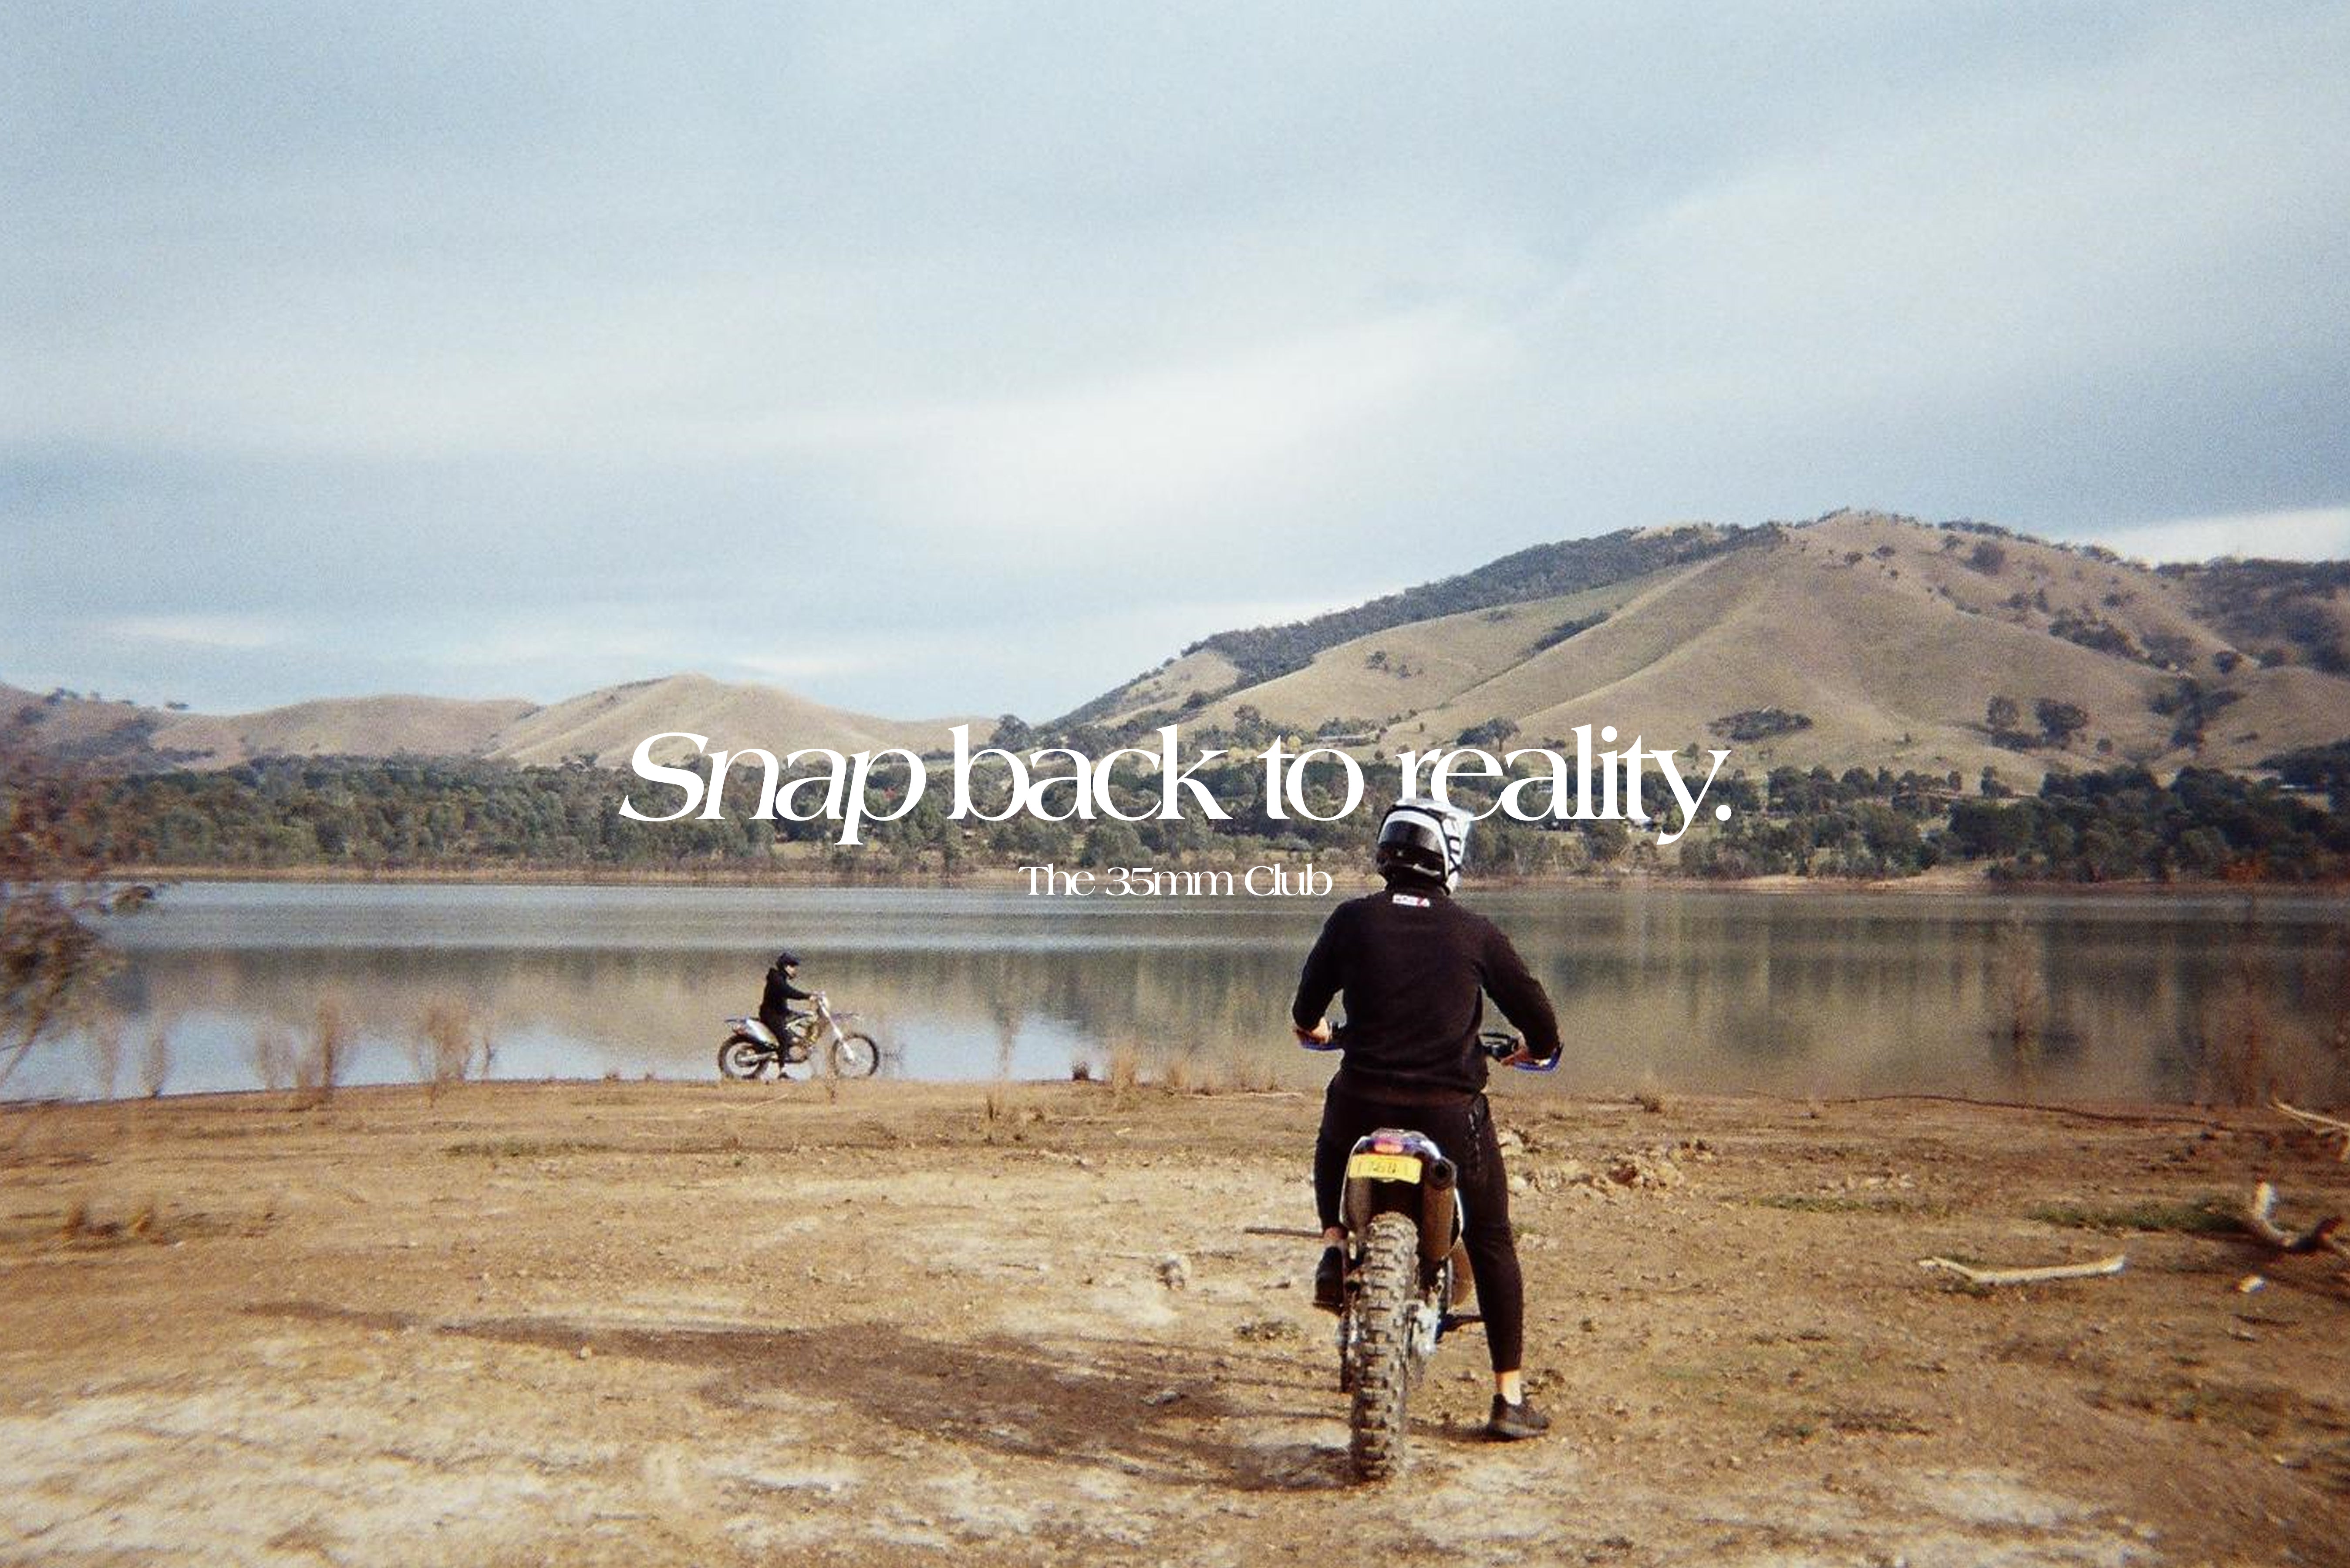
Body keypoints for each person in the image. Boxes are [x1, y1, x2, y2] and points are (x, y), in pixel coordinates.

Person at [1291, 797, 1563, 1442]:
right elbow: (1542, 1024)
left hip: (1362, 1103)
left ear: (1386, 853)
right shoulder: (1475, 932)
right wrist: (1535, 1050)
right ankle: (1508, 1396)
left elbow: (1306, 1013)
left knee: (1333, 1133)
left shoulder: (1351, 920)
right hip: (1448, 1115)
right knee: (1491, 1237)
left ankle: (1333, 1242)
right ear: (1448, 859)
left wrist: (1322, 1032)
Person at [758, 950, 813, 1046]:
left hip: (781, 1013)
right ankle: (783, 1056)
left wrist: (815, 995)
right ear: (786, 967)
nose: (794, 970)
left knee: (803, 1018)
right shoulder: (776, 979)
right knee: (785, 1040)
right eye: (793, 967)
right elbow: (788, 992)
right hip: (771, 1015)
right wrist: (807, 996)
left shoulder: (780, 978)